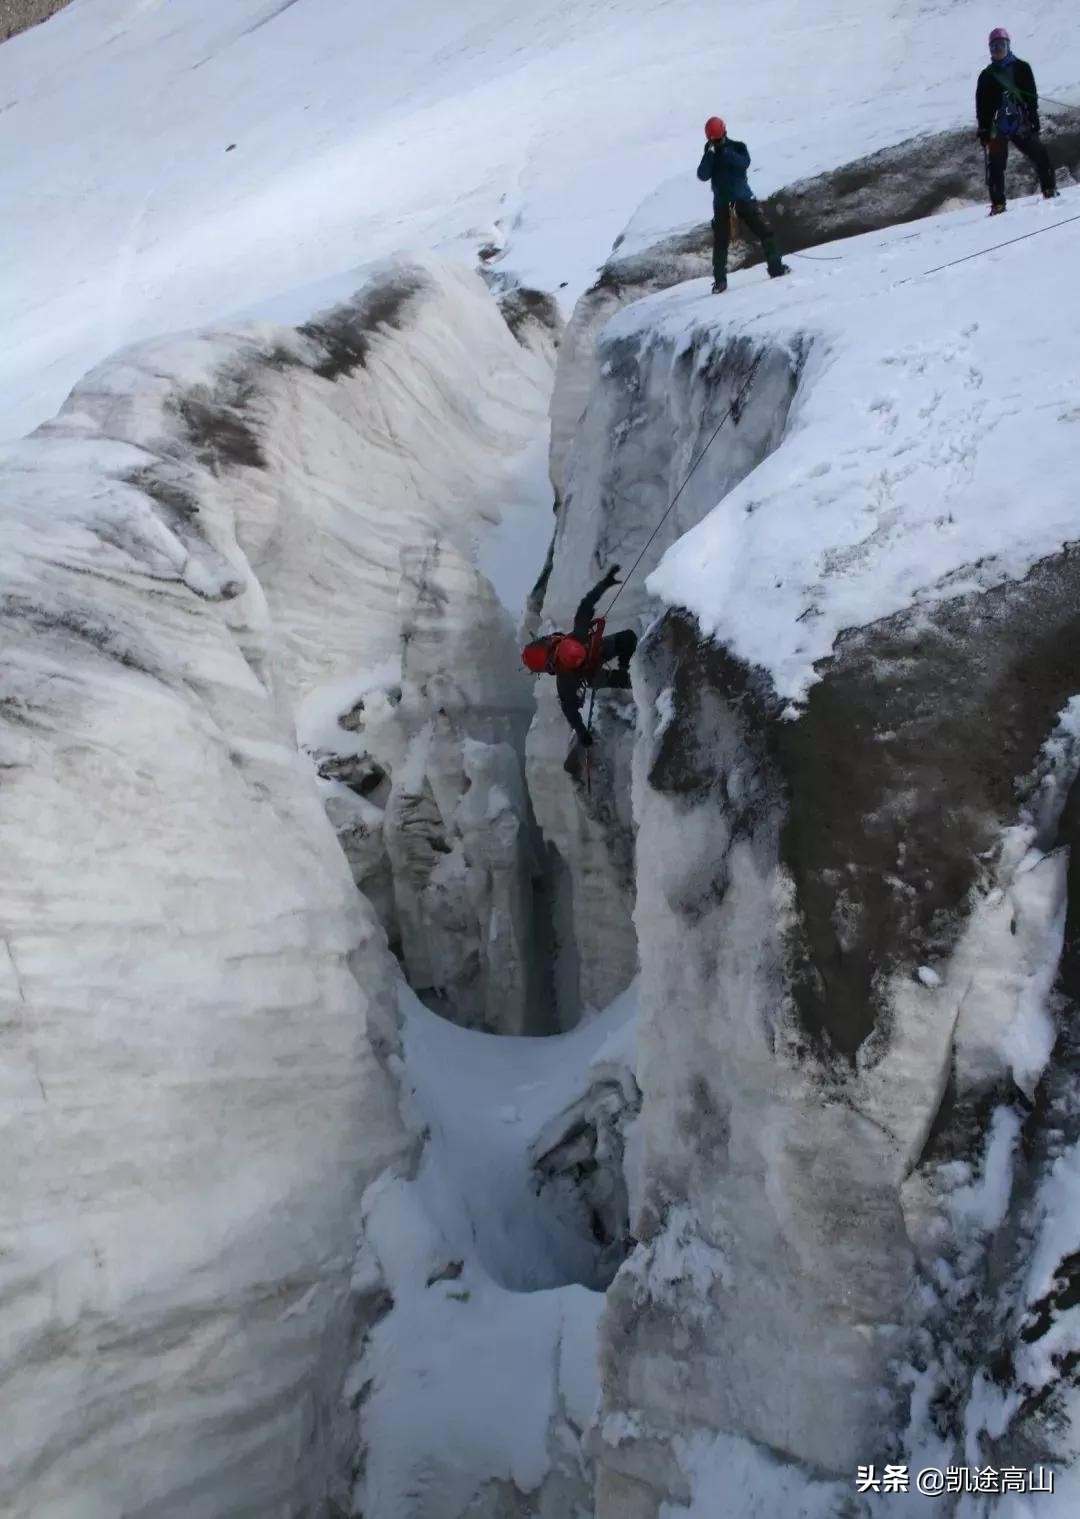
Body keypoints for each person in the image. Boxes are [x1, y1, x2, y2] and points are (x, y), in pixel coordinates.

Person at [521, 565, 637, 749]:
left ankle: (627, 668)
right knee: (624, 680)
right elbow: (570, 712)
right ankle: (631, 679)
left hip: (595, 649)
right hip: (590, 674)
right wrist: (582, 734)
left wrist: (605, 583)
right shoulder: (566, 680)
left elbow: (587, 604)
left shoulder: (579, 636)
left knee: (628, 639)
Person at [697, 116, 789, 293]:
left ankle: (774, 268)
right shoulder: (711, 151)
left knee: (759, 233)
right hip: (731, 202)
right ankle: (723, 281)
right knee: (728, 241)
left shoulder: (737, 147)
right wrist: (710, 155)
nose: (716, 142)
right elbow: (702, 175)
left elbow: (744, 163)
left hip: (739, 200)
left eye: (716, 139)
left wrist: (725, 153)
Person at [976, 28, 1058, 214]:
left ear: (1008, 45)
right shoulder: (986, 76)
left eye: (1001, 45)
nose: (998, 50)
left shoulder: (1022, 68)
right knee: (996, 166)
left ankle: (1049, 189)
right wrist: (983, 128)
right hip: (998, 126)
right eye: (994, 47)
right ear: (990, 50)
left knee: (1040, 155)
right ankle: (998, 204)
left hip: (1020, 121)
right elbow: (982, 106)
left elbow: (1031, 95)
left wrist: (1033, 115)